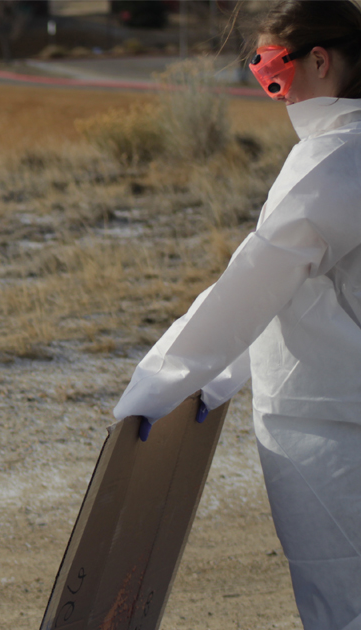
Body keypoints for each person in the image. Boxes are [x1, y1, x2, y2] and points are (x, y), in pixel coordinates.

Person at [113, 2, 361, 628]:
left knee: (340, 599)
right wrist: (219, 375)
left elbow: (261, 274)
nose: (266, 83)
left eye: (270, 66)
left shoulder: (333, 157)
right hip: (338, 407)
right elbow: (306, 291)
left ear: (320, 61)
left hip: (326, 422)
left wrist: (156, 383)